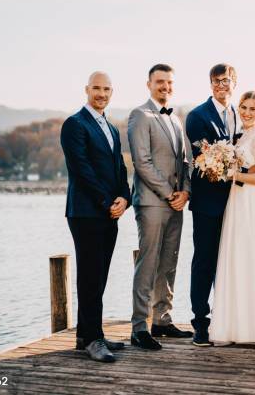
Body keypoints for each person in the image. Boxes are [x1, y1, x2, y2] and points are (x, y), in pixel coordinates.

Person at [60, 71, 131, 363]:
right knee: (90, 276)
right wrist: (106, 203)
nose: (101, 93)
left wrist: (124, 199)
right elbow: (82, 170)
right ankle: (92, 340)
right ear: (86, 89)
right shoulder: (74, 124)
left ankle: (88, 333)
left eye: (106, 89)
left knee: (99, 275)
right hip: (87, 213)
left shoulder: (112, 128)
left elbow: (120, 169)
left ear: (112, 92)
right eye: (96, 88)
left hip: (109, 213)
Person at [127, 64, 193, 351]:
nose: (165, 87)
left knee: (169, 262)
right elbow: (141, 162)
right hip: (153, 202)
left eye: (169, 82)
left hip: (176, 202)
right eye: (160, 82)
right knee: (149, 262)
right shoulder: (140, 115)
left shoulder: (176, 120)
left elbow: (185, 161)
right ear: (149, 84)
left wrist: (186, 192)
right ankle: (139, 327)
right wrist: (169, 193)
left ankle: (162, 320)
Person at [210, 91, 255, 345]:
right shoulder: (241, 136)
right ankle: (237, 326)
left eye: (253, 108)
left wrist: (234, 175)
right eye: (244, 107)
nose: (248, 112)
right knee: (238, 259)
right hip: (238, 203)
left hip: (253, 205)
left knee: (251, 258)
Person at [185, 63, 243, 346]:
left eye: (227, 81)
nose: (222, 86)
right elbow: (205, 159)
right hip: (208, 203)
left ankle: (228, 318)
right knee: (204, 261)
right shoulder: (197, 116)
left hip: (237, 202)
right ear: (210, 85)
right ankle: (200, 322)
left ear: (235, 83)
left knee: (230, 261)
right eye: (217, 81)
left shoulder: (240, 114)